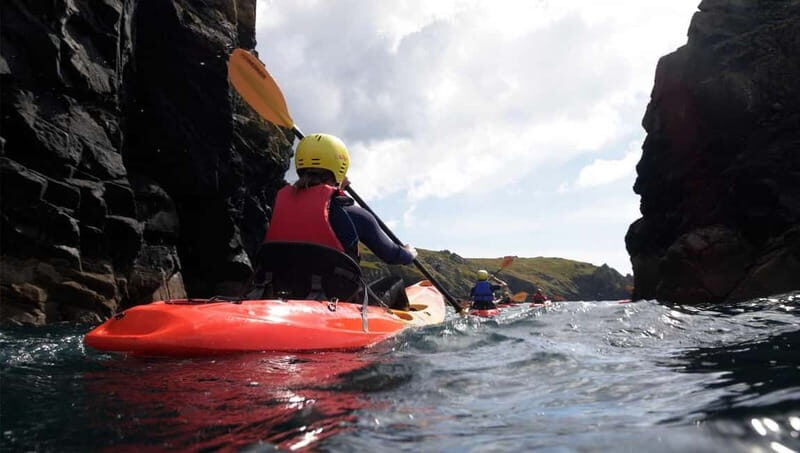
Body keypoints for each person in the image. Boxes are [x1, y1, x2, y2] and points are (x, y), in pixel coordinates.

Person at [264, 133, 417, 309]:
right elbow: (392, 255)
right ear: (341, 167)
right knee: (395, 281)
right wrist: (409, 253)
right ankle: (400, 322)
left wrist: (336, 190)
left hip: (278, 294)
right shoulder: (354, 215)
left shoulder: (277, 204)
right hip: (336, 305)